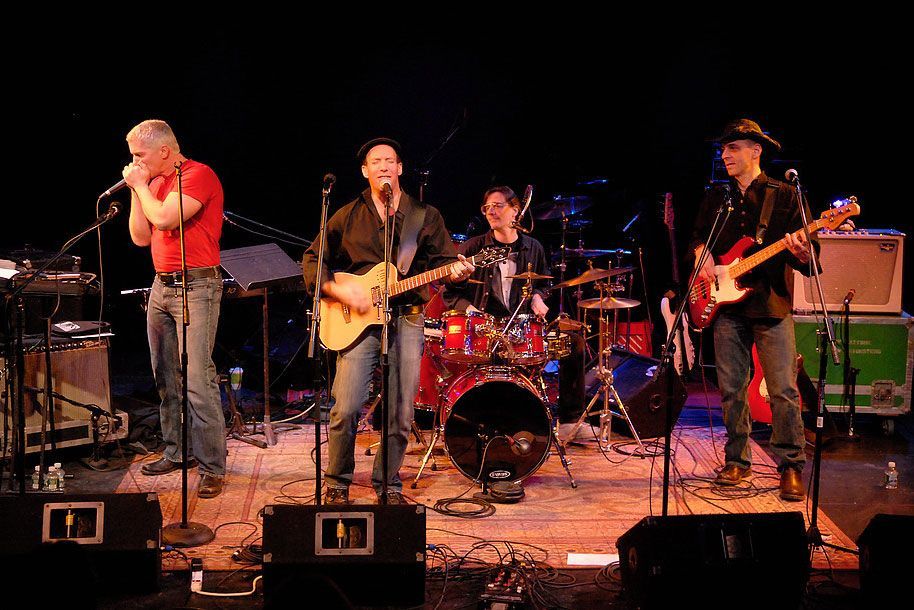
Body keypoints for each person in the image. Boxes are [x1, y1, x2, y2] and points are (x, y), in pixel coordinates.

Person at [302, 137, 474, 505]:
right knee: (346, 406)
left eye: (390, 160)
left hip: (407, 318)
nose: (383, 166)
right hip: (357, 320)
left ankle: (387, 483)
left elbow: (446, 262)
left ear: (399, 169)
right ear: (365, 171)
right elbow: (314, 259)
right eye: (376, 161)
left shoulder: (424, 216)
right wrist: (339, 291)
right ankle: (337, 481)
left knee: (400, 411)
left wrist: (457, 272)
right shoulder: (346, 214)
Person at [689, 118, 817, 501]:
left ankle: (790, 466)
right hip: (726, 307)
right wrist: (703, 255)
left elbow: (810, 259)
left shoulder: (785, 194)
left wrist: (801, 250)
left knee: (782, 389)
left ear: (755, 151)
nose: (725, 155)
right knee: (732, 389)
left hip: (771, 304)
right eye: (723, 149)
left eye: (733, 148)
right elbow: (697, 238)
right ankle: (736, 460)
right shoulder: (717, 196)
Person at [124, 119, 226, 499]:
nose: (133, 162)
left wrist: (139, 186)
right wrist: (139, 191)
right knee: (165, 374)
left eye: (140, 155)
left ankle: (213, 466)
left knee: (197, 377)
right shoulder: (153, 184)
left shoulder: (198, 174)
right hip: (160, 287)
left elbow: (166, 218)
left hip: (196, 286)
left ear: (164, 151)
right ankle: (177, 451)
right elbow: (139, 236)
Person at [442, 186, 549, 319]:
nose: (490, 212)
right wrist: (471, 311)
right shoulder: (471, 248)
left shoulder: (534, 248)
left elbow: (544, 284)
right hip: (480, 330)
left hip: (519, 330)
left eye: (497, 205)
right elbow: (449, 293)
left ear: (515, 211)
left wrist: (537, 297)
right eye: (487, 207)